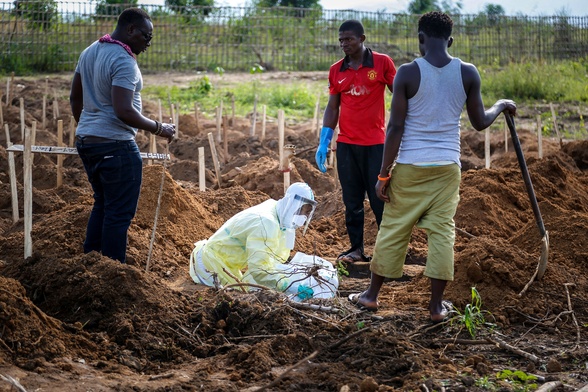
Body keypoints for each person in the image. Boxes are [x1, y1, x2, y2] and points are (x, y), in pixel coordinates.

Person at [348, 11, 517, 322]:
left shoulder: (408, 73)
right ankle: (436, 307)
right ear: (450, 40)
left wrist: (383, 174)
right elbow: (480, 122)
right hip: (447, 168)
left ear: (420, 39)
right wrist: (502, 105)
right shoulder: (468, 73)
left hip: (411, 166)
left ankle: (371, 296)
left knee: (394, 228)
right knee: (441, 233)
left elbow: (395, 127)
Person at [69, 7, 176, 263]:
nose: (148, 43)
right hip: (115, 147)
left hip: (88, 143)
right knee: (118, 214)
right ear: (130, 29)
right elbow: (124, 111)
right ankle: (113, 274)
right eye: (146, 36)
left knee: (103, 205)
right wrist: (160, 128)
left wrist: (89, 127)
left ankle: (91, 264)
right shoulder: (123, 60)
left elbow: (75, 97)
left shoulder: (90, 50)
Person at [315, 19, 396, 264]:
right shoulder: (336, 70)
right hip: (347, 145)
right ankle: (356, 249)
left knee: (379, 199)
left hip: (376, 145)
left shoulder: (382, 63)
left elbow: (400, 94)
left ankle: (388, 252)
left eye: (348, 39)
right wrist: (324, 139)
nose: (344, 44)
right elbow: (332, 106)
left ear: (362, 38)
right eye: (341, 40)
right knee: (351, 201)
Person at [189, 183, 339, 301]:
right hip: (210, 265)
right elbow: (259, 269)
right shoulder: (266, 222)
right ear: (293, 204)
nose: (305, 217)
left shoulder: (278, 214)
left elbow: (272, 260)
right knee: (242, 297)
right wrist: (288, 285)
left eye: (308, 213)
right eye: (304, 211)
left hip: (228, 265)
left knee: (255, 288)